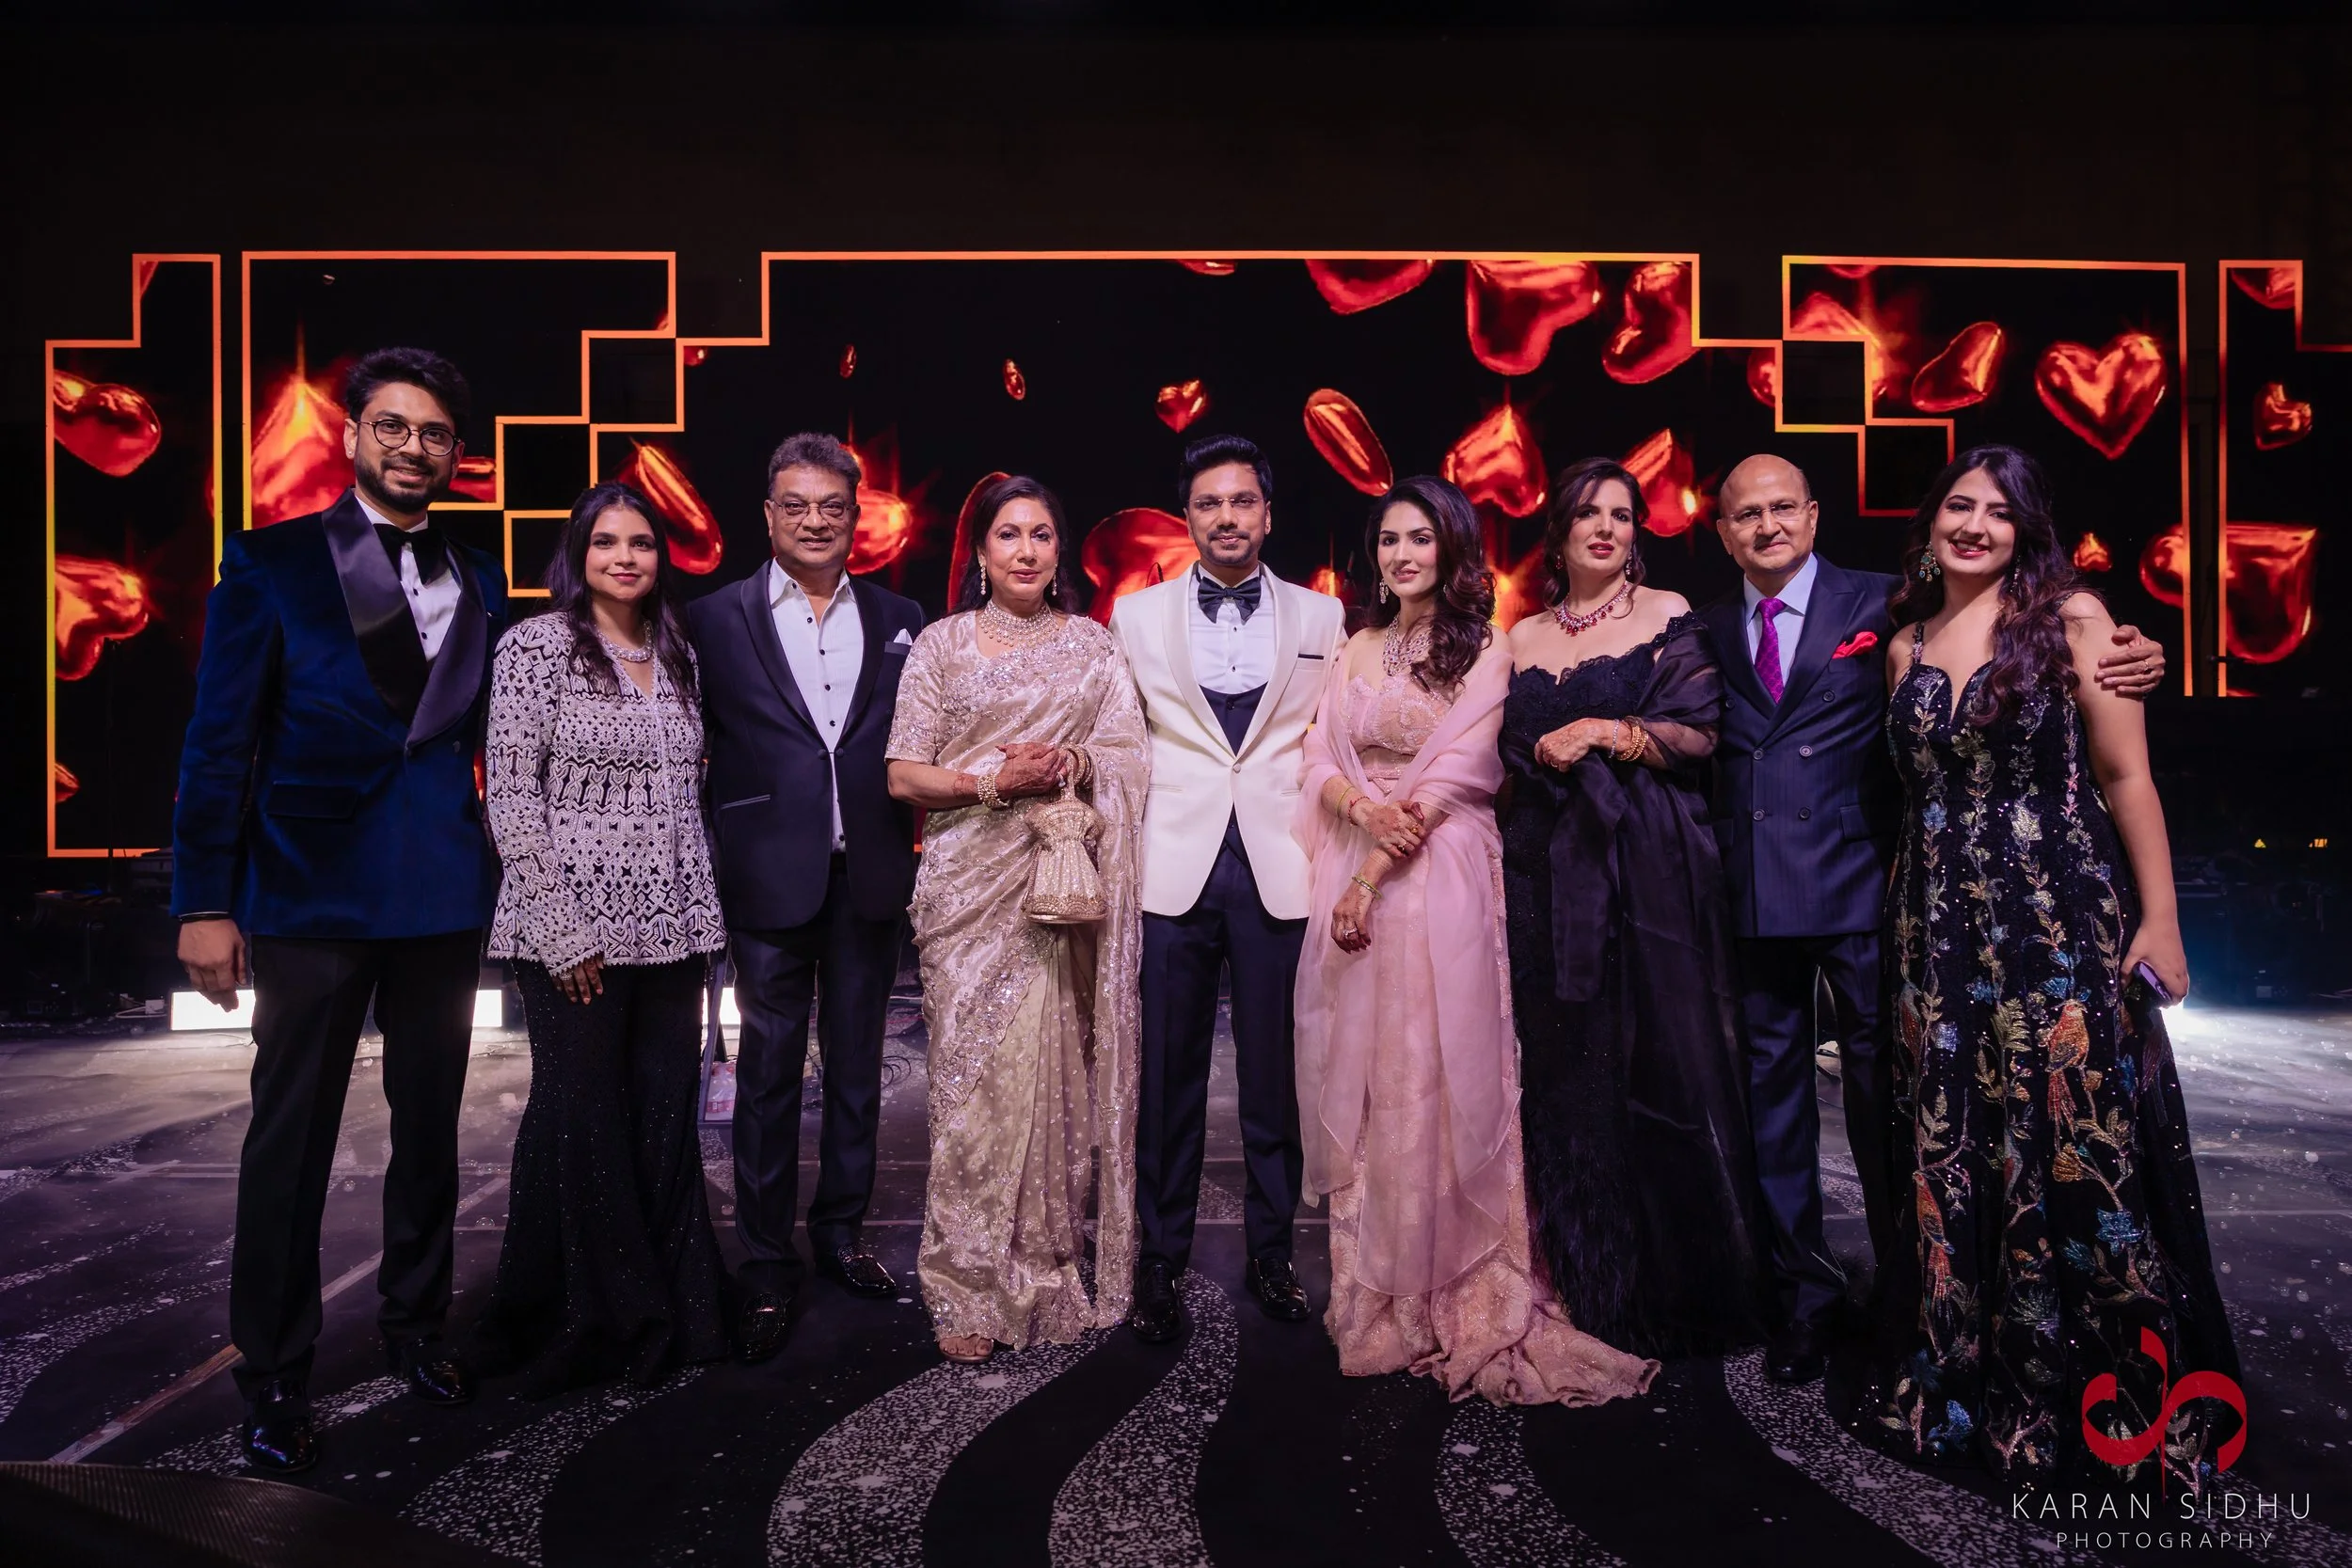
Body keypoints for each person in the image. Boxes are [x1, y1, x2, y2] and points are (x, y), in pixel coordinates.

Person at [1699, 453, 2166, 1386]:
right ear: (1720, 530)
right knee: (1776, 1111)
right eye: (1743, 513)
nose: (1765, 525)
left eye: (1781, 505)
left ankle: (1910, 1290)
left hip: (1871, 891)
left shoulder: (1883, 605)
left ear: (1814, 511)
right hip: (1774, 894)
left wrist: (2134, 645)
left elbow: (2091, 715)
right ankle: (1803, 1296)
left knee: (1903, 1108)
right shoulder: (1707, 628)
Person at [1868, 445, 2236, 1487]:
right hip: (1936, 931)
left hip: (2052, 919)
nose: (1973, 524)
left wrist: (2158, 918)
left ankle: (2108, 1394)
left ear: (2027, 531)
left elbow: (2127, 778)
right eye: (1956, 505)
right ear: (1931, 521)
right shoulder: (1903, 646)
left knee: (2075, 1142)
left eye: (1997, 511)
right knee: (1958, 1152)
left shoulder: (2073, 621)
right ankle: (1970, 1379)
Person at [171, 348, 508, 1473]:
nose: (416, 447)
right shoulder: (270, 563)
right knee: (291, 1141)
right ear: (355, 434)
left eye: (437, 434)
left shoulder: (484, 571)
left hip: (440, 894)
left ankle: (416, 1326)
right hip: (309, 888)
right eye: (395, 427)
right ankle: (272, 1372)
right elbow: (220, 744)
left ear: (457, 453)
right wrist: (204, 901)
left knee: (429, 1133)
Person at [1294, 476, 1658, 1405]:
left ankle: (1464, 1293)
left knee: (1440, 1070)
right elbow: (1317, 756)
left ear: (1454, 550)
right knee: (1370, 1078)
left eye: (1421, 538)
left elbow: (1460, 769)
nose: (1402, 554)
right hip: (1360, 863)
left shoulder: (1483, 650)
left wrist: (1375, 864)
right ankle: (1379, 1301)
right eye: (1388, 540)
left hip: (1437, 875)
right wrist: (1359, 811)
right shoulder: (1356, 646)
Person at [1500, 457, 1766, 1360]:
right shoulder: (1521, 633)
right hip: (1536, 880)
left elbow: (1699, 732)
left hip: (1638, 877)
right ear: (1560, 530)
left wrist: (1610, 732)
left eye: (1622, 514)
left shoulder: (1668, 615)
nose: (1607, 527)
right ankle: (1582, 1273)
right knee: (1560, 1072)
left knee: (1648, 1065)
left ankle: (1660, 1286)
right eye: (1588, 513)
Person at [884, 476, 1151, 1362]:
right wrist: (998, 780)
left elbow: (1126, 755)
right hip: (967, 888)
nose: (1028, 550)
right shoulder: (940, 646)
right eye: (1009, 534)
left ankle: (1044, 1265)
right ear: (982, 553)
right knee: (967, 1092)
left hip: (1056, 884)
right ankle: (963, 1284)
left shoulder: (1091, 646)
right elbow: (903, 775)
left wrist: (1071, 758)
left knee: (1054, 1076)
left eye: (1042, 533)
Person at [472, 483, 728, 1395]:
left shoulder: (676, 650)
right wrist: (555, 921)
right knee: (584, 1118)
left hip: (673, 928)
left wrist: (704, 920)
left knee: (664, 1120)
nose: (627, 557)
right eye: (607, 541)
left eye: (643, 543)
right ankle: (603, 1316)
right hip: (572, 930)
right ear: (578, 553)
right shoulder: (535, 647)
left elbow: (683, 799)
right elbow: (512, 791)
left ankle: (680, 1302)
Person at [685, 434, 926, 1363]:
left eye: (833, 505)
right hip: (762, 873)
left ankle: (839, 1233)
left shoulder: (902, 613)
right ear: (769, 514)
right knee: (769, 1072)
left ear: (855, 513)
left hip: (866, 871)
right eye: (798, 505)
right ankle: (764, 1258)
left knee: (861, 1069)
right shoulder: (712, 618)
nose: (817, 520)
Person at [1109, 434, 1348, 1343]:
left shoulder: (1324, 618)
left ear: (1268, 514)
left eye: (1242, 502)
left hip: (1280, 861)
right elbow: (1120, 740)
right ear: (1189, 518)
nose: (1226, 518)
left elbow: (1332, 737)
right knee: (1167, 1076)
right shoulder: (1135, 617)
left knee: (1276, 1076)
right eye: (1209, 504)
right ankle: (1159, 1260)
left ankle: (1273, 1252)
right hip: (1173, 861)